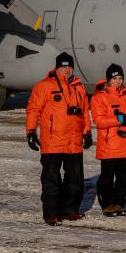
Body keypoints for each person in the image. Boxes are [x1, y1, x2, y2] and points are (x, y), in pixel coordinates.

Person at [25, 52, 92, 225]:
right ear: (57, 68)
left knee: (75, 179)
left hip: (74, 141)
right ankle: (51, 213)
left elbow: (84, 112)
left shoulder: (79, 87)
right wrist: (31, 132)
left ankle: (71, 210)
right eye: (63, 67)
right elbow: (33, 110)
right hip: (52, 141)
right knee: (51, 181)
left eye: (69, 67)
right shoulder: (44, 86)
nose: (67, 70)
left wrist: (87, 132)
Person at [90, 64, 126, 216]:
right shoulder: (99, 97)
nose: (118, 81)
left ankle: (119, 204)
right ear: (108, 80)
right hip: (109, 145)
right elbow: (99, 121)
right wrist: (119, 119)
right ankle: (107, 204)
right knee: (106, 178)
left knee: (123, 178)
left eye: (120, 78)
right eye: (114, 78)